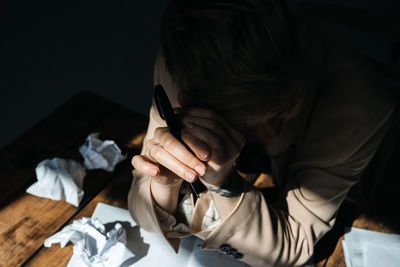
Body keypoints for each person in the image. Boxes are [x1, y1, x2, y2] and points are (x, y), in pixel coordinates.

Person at [128, 0, 394, 266]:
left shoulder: (361, 109)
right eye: (239, 121)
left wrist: (225, 186)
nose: (269, 136)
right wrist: (165, 184)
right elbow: (143, 208)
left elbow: (295, 248)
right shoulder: (185, 67)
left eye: (286, 108)